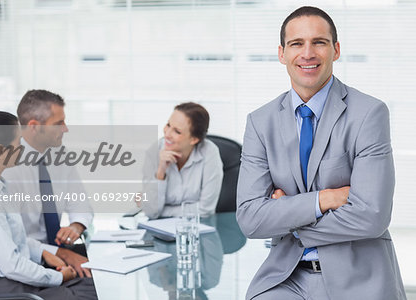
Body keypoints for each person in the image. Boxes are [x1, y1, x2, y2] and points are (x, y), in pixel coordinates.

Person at [236, 6, 406, 300]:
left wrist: (290, 218)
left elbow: (372, 216)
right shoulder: (260, 122)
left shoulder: (369, 114)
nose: (308, 53)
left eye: (319, 42)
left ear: (336, 49)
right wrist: (324, 199)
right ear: (281, 53)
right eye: (297, 43)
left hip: (359, 280)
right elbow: (250, 218)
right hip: (286, 278)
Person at [0, 111, 97, 299]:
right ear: (0, 150)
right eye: (18, 142)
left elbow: (13, 239)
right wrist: (57, 277)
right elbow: (11, 264)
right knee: (91, 293)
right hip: (8, 289)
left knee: (95, 282)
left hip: (22, 279)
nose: (22, 148)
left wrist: (43, 252)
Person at [2, 90, 93, 278]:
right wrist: (62, 254)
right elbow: (9, 238)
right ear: (34, 126)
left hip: (58, 251)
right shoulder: (7, 168)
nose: (65, 129)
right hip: (29, 261)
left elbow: (80, 202)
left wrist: (76, 226)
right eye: (59, 123)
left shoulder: (60, 155)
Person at [141, 102, 223, 219]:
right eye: (168, 125)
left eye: (177, 131)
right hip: (159, 231)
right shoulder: (153, 152)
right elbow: (150, 212)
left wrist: (164, 211)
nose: (167, 134)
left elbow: (205, 210)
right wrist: (161, 171)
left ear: (194, 139)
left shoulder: (210, 153)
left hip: (195, 229)